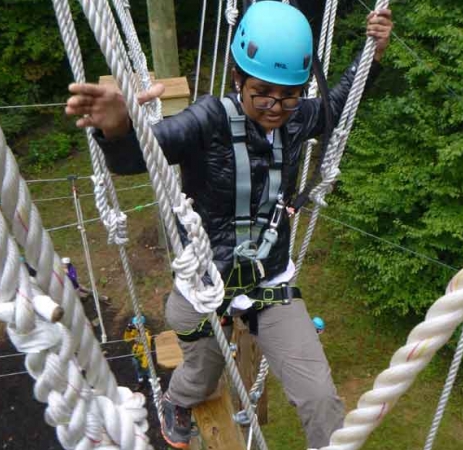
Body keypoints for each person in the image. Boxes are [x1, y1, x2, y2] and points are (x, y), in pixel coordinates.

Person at [65, 2, 392, 448]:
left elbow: (338, 104)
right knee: (201, 373)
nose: (276, 107)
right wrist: (121, 130)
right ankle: (178, 399)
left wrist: (370, 54)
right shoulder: (209, 120)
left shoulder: (296, 119)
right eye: (263, 92)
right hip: (206, 280)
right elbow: (144, 155)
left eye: (290, 94)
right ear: (238, 79)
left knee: (320, 399)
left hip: (268, 283)